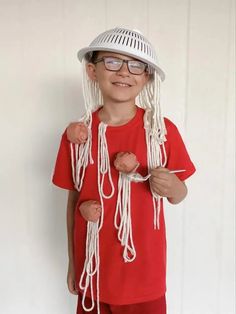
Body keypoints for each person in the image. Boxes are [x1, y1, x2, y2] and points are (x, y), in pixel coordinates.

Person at [52, 27, 196, 314]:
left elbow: (179, 194)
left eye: (136, 66)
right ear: (92, 71)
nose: (124, 72)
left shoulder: (161, 132)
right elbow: (73, 202)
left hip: (145, 276)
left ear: (147, 77)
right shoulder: (78, 136)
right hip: (94, 272)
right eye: (113, 62)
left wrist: (172, 186)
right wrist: (74, 262)